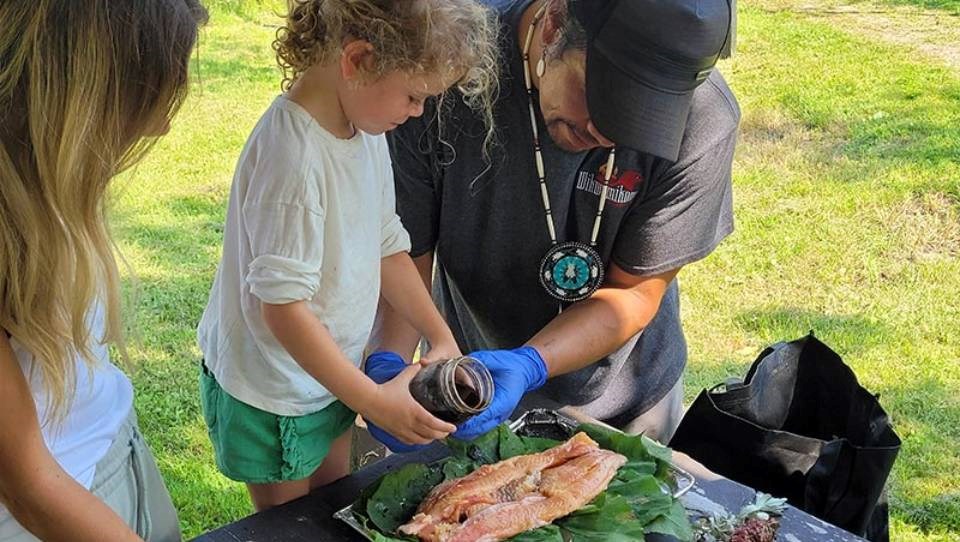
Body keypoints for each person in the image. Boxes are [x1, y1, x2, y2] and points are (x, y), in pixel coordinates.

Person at [366, 0, 740, 448]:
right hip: (471, 391)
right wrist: (387, 365)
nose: (606, 133)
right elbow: (405, 256)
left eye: (643, 115)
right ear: (554, 22)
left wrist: (530, 362)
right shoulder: (443, 65)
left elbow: (633, 292)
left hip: (626, 407)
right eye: (603, 96)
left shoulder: (705, 122)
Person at [196, 0, 500, 511]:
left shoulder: (362, 129)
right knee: (292, 524)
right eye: (413, 96)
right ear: (357, 60)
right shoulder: (292, 159)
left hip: (331, 374)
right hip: (275, 393)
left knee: (332, 504)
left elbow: (387, 244)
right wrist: (371, 399)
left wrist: (441, 335)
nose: (418, 112)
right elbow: (283, 309)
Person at [0, 1, 207, 541]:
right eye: (147, 97)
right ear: (78, 97)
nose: (161, 125)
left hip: (119, 449)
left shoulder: (46, 173)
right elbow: (26, 484)